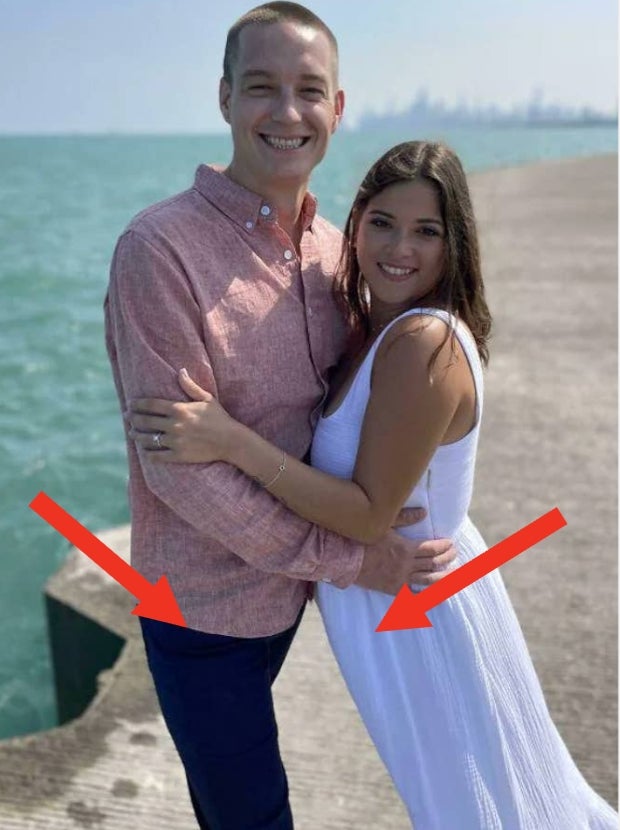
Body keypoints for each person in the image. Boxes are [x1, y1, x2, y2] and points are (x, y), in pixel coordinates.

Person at [125, 139, 618, 828]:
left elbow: (366, 514)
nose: (400, 248)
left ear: (456, 246)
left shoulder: (423, 345)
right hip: (393, 609)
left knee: (476, 811)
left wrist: (232, 440)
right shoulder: (378, 330)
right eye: (383, 222)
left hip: (417, 612)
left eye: (427, 231)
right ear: (353, 225)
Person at [103, 4, 454, 828]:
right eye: (263, 87)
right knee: (252, 813)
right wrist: (348, 556)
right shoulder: (158, 251)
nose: (287, 112)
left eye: (309, 91)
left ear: (338, 109)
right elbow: (178, 471)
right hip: (202, 607)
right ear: (225, 98)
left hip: (297, 596)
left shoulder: (339, 250)